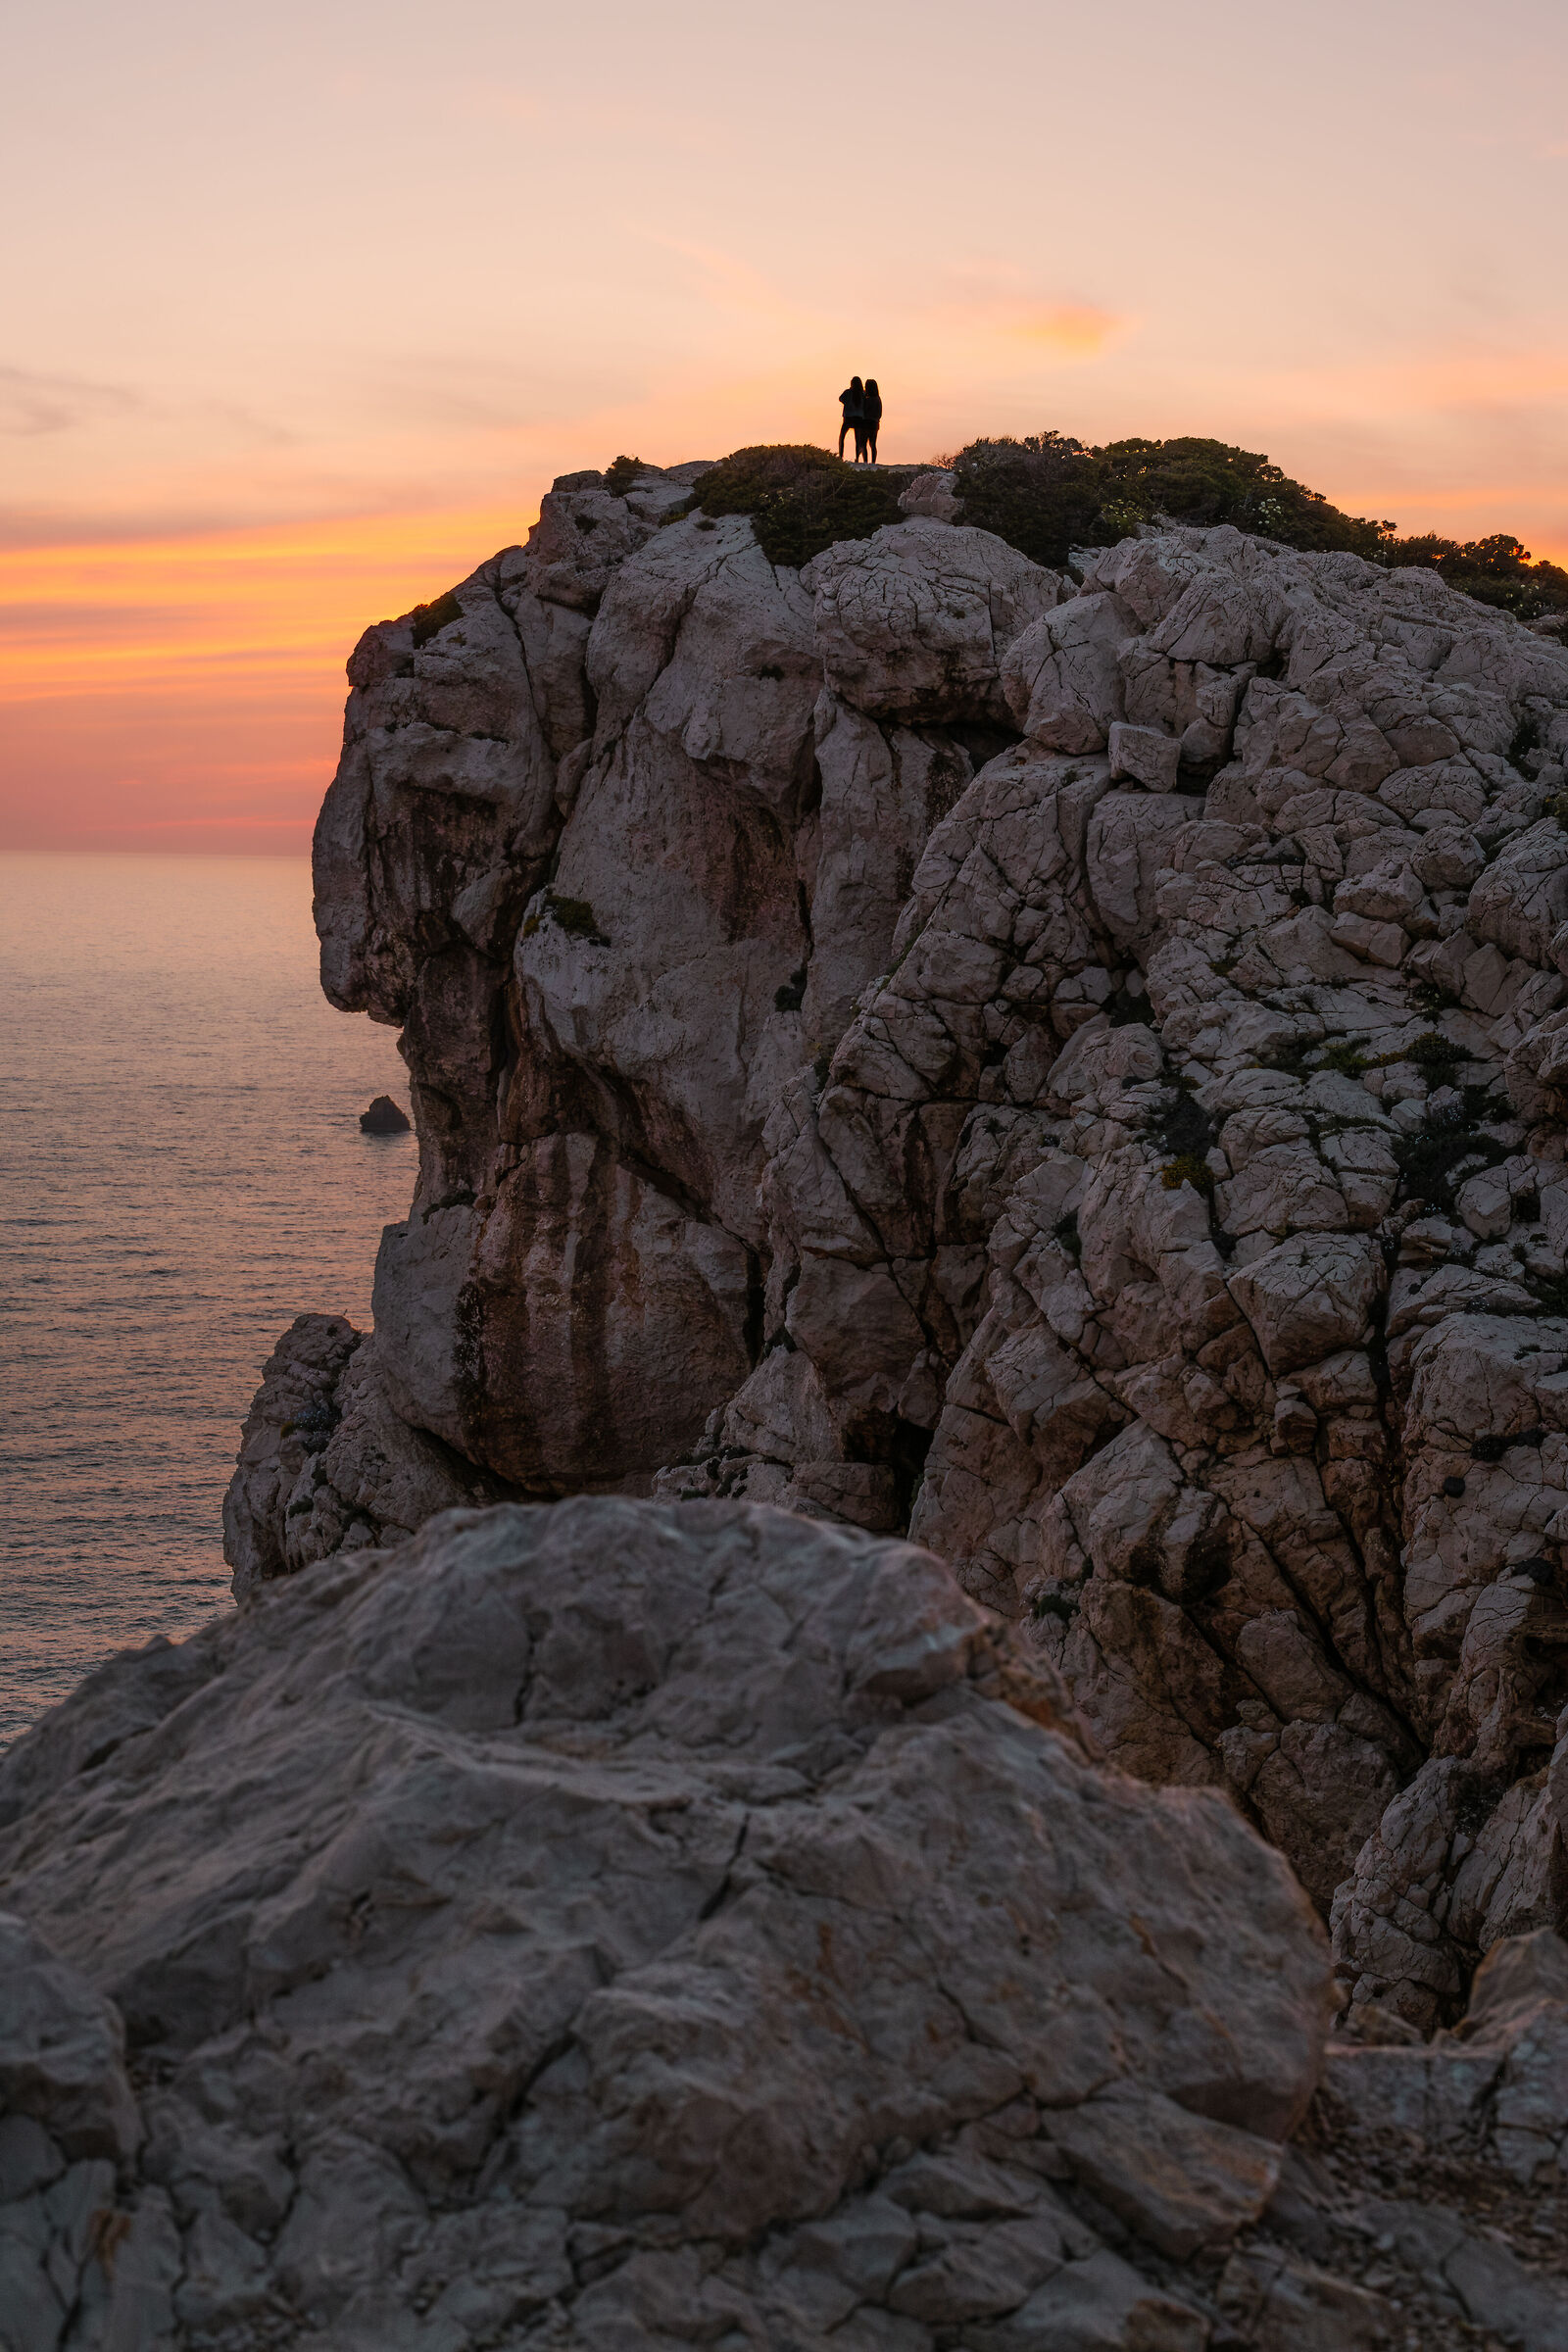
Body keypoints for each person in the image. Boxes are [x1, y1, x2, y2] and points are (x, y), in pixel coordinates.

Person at [838, 376, 865, 462]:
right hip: (859, 418)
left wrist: (847, 403)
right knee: (857, 439)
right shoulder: (863, 393)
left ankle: (840, 456)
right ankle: (857, 457)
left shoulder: (848, 392)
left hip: (848, 417)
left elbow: (840, 399)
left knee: (842, 437)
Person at [861, 378, 882, 465]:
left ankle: (865, 461)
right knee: (873, 444)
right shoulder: (878, 399)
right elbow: (880, 413)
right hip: (875, 423)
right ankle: (873, 462)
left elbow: (863, 410)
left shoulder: (866, 399)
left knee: (864, 444)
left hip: (866, 423)